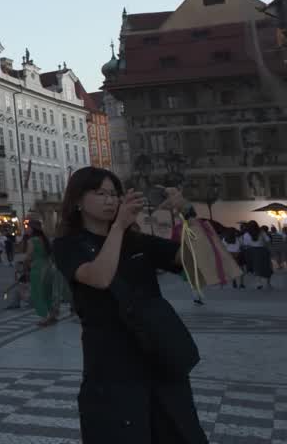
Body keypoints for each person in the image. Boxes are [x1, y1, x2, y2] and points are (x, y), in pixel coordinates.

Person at [51, 167, 206, 443]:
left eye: (114, 194)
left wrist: (188, 213)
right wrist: (120, 227)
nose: (110, 200)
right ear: (77, 200)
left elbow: (192, 258)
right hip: (111, 363)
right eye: (100, 194)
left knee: (177, 431)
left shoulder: (137, 241)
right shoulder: (67, 244)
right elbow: (99, 277)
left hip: (157, 355)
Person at [25, 220, 58, 327]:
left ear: (33, 228)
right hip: (48, 267)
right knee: (48, 292)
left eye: (28, 227)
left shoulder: (32, 241)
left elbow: (29, 255)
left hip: (38, 269)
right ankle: (52, 315)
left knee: (38, 293)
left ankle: (45, 317)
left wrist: (25, 263)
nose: (27, 229)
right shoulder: (45, 239)